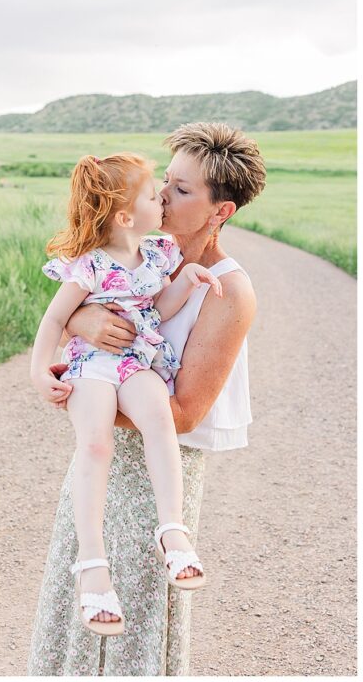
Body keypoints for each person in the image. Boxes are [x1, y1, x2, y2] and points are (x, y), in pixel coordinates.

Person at [28, 123, 266, 675]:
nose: (162, 194)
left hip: (154, 476)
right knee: (78, 611)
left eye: (182, 190)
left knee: (134, 623)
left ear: (220, 211)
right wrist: (83, 322)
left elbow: (183, 412)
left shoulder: (229, 289)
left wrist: (91, 392)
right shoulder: (136, 256)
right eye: (164, 181)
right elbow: (72, 314)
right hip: (96, 470)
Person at [29, 153, 220, 635]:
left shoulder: (157, 256)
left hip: (135, 361)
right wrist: (38, 372)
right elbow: (54, 320)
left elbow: (156, 306)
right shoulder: (89, 267)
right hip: (92, 367)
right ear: (124, 216)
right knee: (95, 444)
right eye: (154, 194)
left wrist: (188, 280)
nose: (162, 199)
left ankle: (172, 531)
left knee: (158, 420)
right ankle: (93, 564)